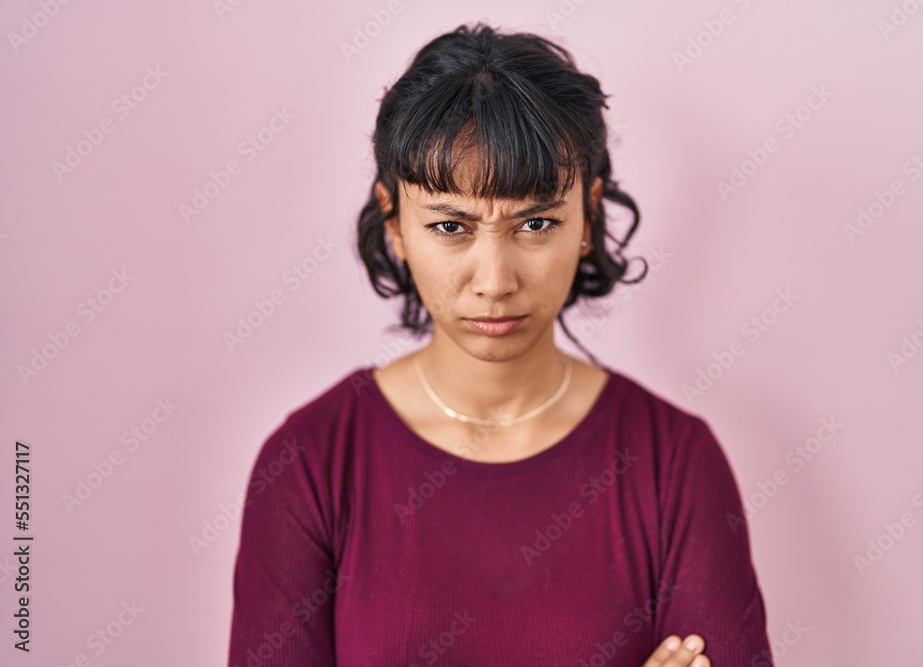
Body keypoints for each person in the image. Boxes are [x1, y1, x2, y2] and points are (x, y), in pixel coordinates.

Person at [227, 21, 771, 667]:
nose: (495, 279)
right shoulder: (311, 463)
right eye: (451, 225)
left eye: (536, 223)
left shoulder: (673, 462)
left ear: (588, 217)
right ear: (395, 221)